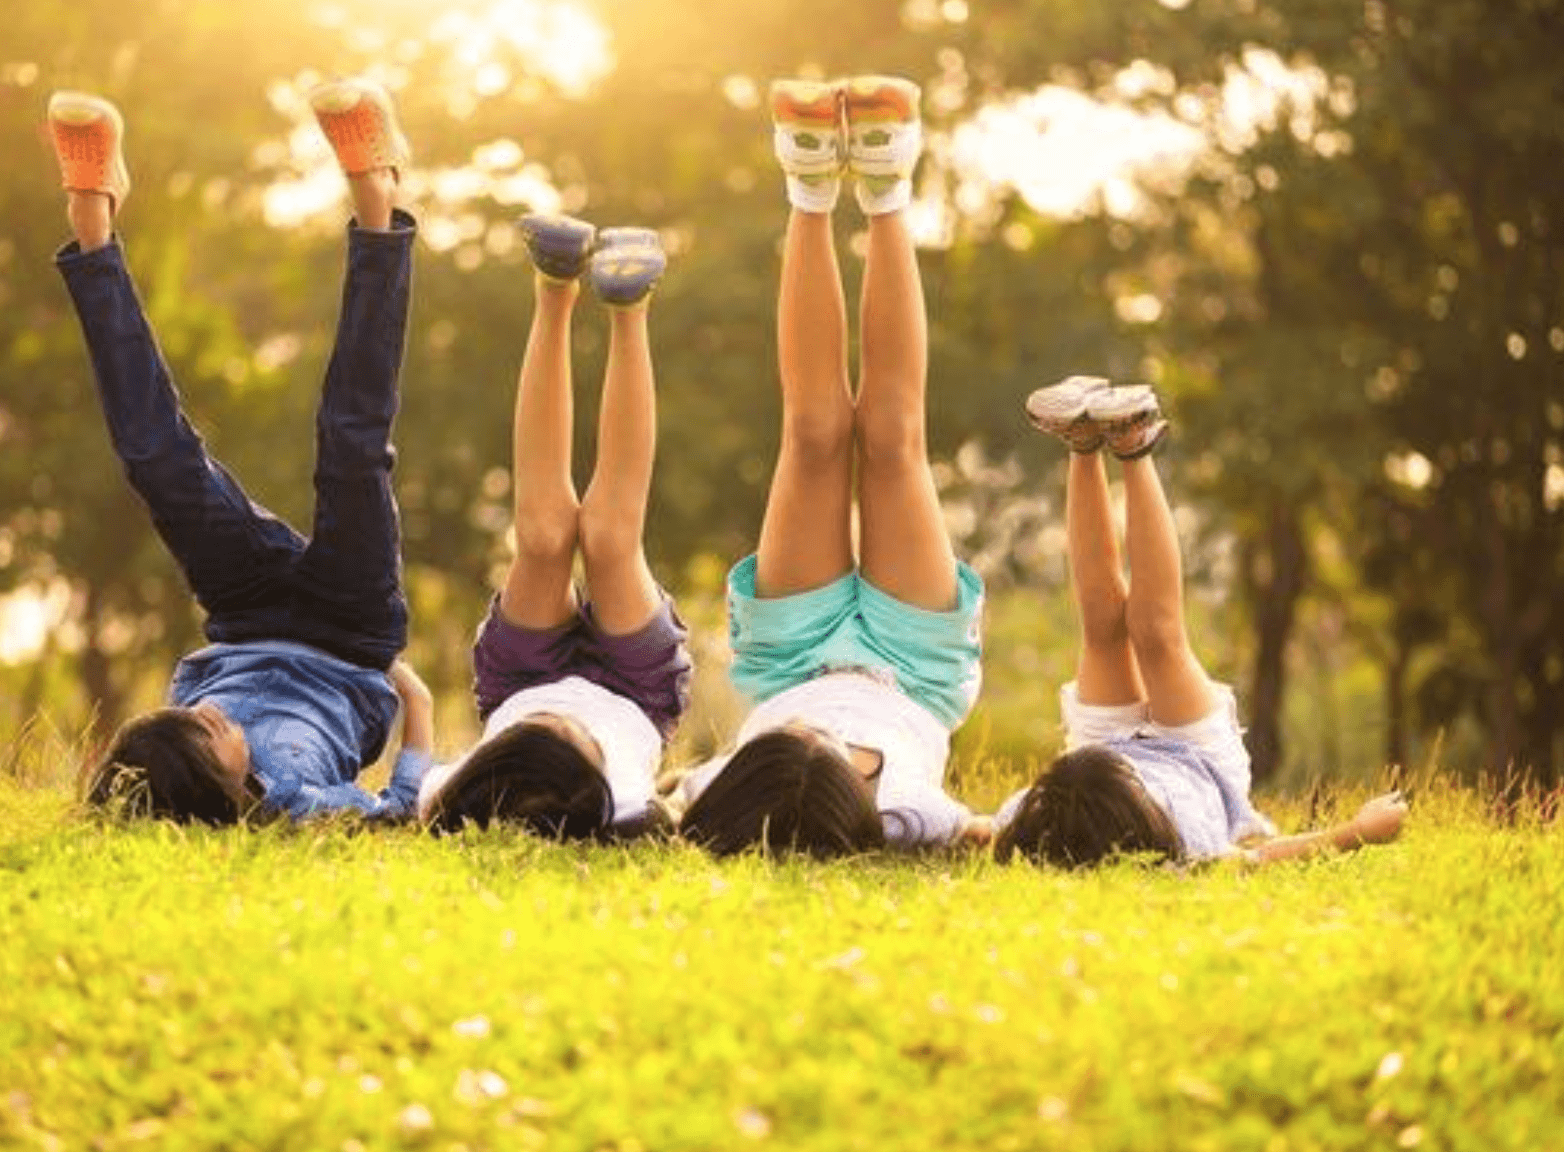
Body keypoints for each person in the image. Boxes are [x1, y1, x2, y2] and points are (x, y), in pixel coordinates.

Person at [53, 79, 434, 824]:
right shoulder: (294, 805)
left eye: (186, 724)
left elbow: (127, 790)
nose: (202, 720)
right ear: (217, 787)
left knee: (156, 462)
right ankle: (377, 203)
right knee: (351, 446)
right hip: (353, 634)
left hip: (243, 614)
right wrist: (413, 699)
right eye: (202, 736)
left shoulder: (155, 778)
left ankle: (92, 222)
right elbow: (402, 809)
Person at [674, 76, 990, 856]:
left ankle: (809, 187)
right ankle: (886, 189)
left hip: (786, 660)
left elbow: (632, 803)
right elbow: (1004, 829)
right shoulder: (911, 812)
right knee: (891, 436)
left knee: (813, 432)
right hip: (915, 669)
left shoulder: (713, 794)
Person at [988, 376, 1408, 866]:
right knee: (1156, 636)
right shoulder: (1185, 849)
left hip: (1093, 766)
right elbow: (1265, 857)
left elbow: (981, 828)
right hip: (1196, 758)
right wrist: (1359, 830)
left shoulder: (1033, 823)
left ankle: (1083, 442)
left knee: (1101, 630)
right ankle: (1132, 446)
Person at [414, 216, 691, 840]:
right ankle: (629, 305)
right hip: (635, 688)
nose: (560, 727)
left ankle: (555, 284)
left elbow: (406, 793)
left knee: (541, 539)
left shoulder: (454, 796)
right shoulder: (619, 805)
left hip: (520, 677)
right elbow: (673, 816)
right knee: (610, 539)